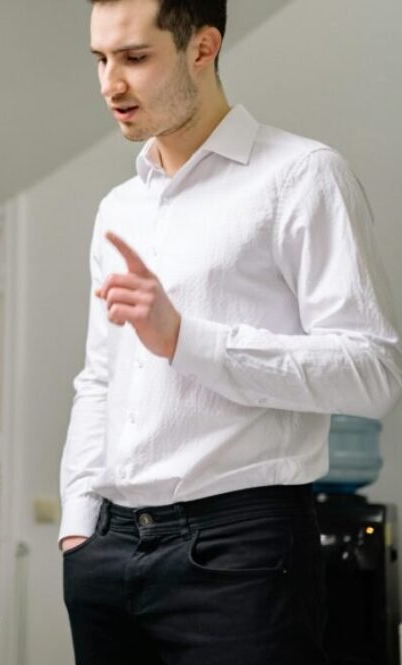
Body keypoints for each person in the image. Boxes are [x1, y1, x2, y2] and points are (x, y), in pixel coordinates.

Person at [59, 0, 402, 662]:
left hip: (242, 555)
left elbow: (373, 371)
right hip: (108, 552)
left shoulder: (301, 176)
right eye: (100, 59)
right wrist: (78, 528)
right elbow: (99, 378)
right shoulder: (119, 207)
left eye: (135, 57)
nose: (110, 84)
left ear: (202, 47)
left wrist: (186, 339)